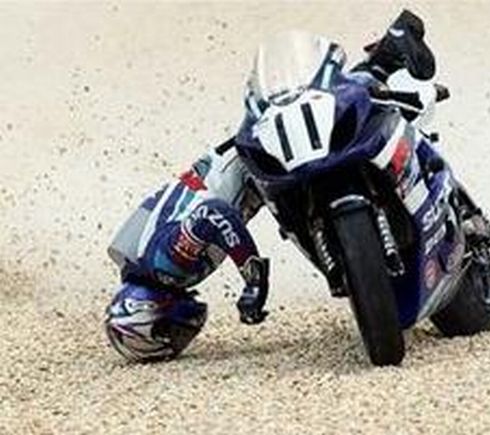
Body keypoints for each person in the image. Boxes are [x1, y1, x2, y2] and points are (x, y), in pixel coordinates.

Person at [105, 9, 440, 362]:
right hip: (246, 174)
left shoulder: (165, 266)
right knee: (316, 124)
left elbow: (212, 215)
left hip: (245, 165)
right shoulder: (146, 263)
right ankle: (384, 59)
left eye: (165, 332)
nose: (180, 335)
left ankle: (390, 55)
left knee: (319, 119)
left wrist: (253, 276)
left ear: (146, 310)